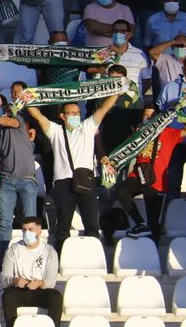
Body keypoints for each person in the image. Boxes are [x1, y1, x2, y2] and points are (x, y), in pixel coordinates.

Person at [24, 93, 121, 249]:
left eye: (78, 113)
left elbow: (104, 108)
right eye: (72, 113)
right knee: (63, 227)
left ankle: (92, 259)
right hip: (63, 183)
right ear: (63, 116)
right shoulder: (55, 130)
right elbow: (39, 117)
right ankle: (60, 259)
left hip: (86, 181)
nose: (76, 116)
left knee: (92, 225)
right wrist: (27, 101)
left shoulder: (87, 127)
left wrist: (116, 93)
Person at [0, 216, 62, 327]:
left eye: (30, 229)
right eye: (24, 230)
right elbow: (4, 276)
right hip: (20, 289)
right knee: (8, 295)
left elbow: (51, 280)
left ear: (39, 231)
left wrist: (40, 282)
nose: (26, 233)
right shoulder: (13, 250)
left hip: (40, 289)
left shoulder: (50, 251)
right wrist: (15, 281)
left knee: (55, 297)